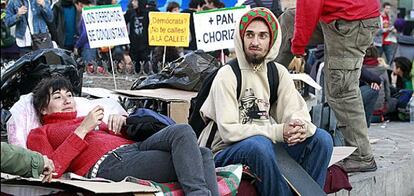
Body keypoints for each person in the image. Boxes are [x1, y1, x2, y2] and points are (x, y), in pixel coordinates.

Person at [198, 8, 333, 195]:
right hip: (223, 151)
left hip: (267, 145)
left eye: (262, 36)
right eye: (250, 35)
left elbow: (295, 110)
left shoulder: (277, 72)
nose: (255, 42)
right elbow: (229, 131)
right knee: (259, 145)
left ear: (271, 40)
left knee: (321, 139)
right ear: (241, 38)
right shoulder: (227, 74)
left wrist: (299, 127)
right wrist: (279, 131)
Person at [26, 76, 219, 196]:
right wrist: (82, 131)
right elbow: (50, 169)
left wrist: (123, 121)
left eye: (69, 95)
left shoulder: (88, 117)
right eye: (58, 97)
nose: (67, 100)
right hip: (108, 164)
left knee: (190, 139)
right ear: (43, 108)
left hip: (133, 148)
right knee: (197, 158)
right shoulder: (40, 133)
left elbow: (125, 133)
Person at [291, 0, 380, 173]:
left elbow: (308, 7)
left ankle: (362, 156)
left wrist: (298, 49)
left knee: (342, 91)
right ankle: (267, 77)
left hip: (350, 21)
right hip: (351, 15)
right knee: (288, 19)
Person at [124, 0, 150, 74]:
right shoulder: (130, 12)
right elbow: (122, 23)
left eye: (135, 1)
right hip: (133, 44)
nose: (132, 3)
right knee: (135, 65)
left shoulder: (147, 13)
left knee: (145, 66)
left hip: (145, 44)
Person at [73, 0, 98, 74]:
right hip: (93, 45)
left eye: (76, 6)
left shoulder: (86, 14)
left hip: (87, 47)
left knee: (88, 70)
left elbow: (85, 33)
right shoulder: (93, 12)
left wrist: (77, 45)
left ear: (80, 4)